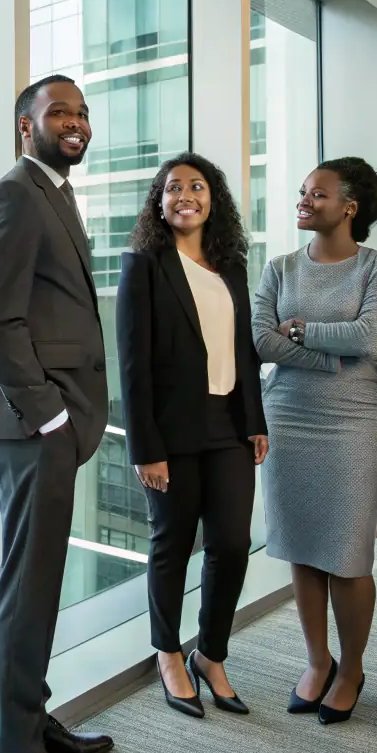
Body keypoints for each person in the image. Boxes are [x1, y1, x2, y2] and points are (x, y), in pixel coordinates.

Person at [0, 74, 112, 753]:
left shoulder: (52, 191)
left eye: (82, 111)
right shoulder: (15, 193)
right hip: (29, 424)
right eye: (59, 111)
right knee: (27, 586)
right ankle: (12, 749)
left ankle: (27, 712)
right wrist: (48, 413)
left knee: (39, 581)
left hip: (49, 420)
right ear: (26, 124)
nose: (75, 121)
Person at [115, 153, 268, 720]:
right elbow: (131, 363)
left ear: (213, 199)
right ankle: (168, 652)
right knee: (173, 543)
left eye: (197, 186)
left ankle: (213, 653)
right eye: (173, 187)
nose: (186, 195)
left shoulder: (230, 264)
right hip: (171, 434)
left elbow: (243, 350)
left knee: (231, 542)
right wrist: (144, 447)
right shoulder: (143, 263)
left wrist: (255, 418)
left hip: (229, 424)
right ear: (159, 201)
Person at [251, 157, 377, 725]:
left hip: (357, 420)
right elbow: (261, 342)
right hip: (288, 415)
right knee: (301, 546)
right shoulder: (281, 267)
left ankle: (353, 666)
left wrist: (302, 332)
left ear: (350, 207)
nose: (303, 200)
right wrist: (326, 353)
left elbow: (367, 338)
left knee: (347, 551)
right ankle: (318, 661)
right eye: (302, 191)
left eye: (316, 193)